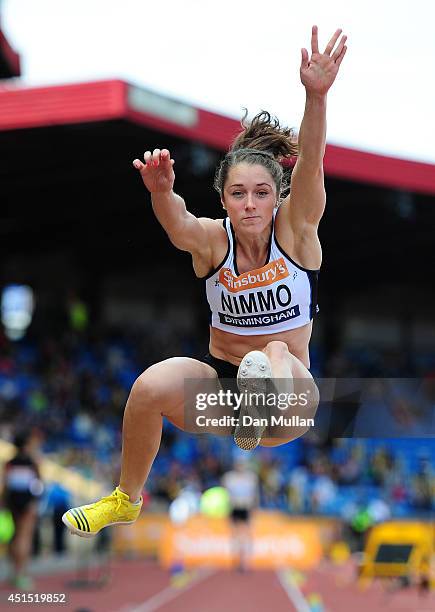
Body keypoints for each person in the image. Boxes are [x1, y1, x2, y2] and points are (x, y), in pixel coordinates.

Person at [63, 25, 347, 537]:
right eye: (238, 194)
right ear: (224, 201)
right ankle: (127, 498)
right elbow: (178, 224)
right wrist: (160, 192)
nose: (251, 204)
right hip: (223, 396)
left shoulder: (298, 234)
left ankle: (260, 395)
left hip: (289, 401)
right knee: (149, 386)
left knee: (276, 354)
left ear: (277, 197)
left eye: (262, 193)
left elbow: (312, 163)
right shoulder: (215, 243)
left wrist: (315, 95)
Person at [1, 430, 44, 590]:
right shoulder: (32, 462)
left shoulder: (9, 463)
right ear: (26, 445)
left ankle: (14, 573)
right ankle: (21, 575)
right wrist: (35, 501)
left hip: (12, 502)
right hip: (27, 502)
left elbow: (5, 486)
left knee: (14, 538)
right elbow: (39, 484)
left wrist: (4, 503)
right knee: (23, 538)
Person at [222, 459, 259, 571]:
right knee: (235, 534)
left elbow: (255, 495)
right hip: (234, 508)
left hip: (246, 508)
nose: (240, 466)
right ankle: (237, 560)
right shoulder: (229, 478)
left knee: (247, 535)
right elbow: (225, 495)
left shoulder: (251, 478)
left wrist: (254, 508)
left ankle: (246, 562)